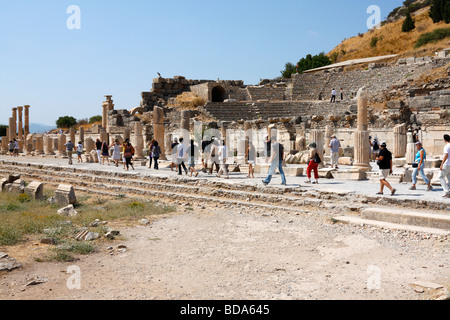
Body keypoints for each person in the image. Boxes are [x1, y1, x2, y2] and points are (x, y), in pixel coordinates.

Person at [439, 134, 450, 198]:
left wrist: (441, 164)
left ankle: (447, 191)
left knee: (440, 176)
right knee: (449, 178)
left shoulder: (446, 146)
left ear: (444, 140)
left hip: (447, 164)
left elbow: (446, 155)